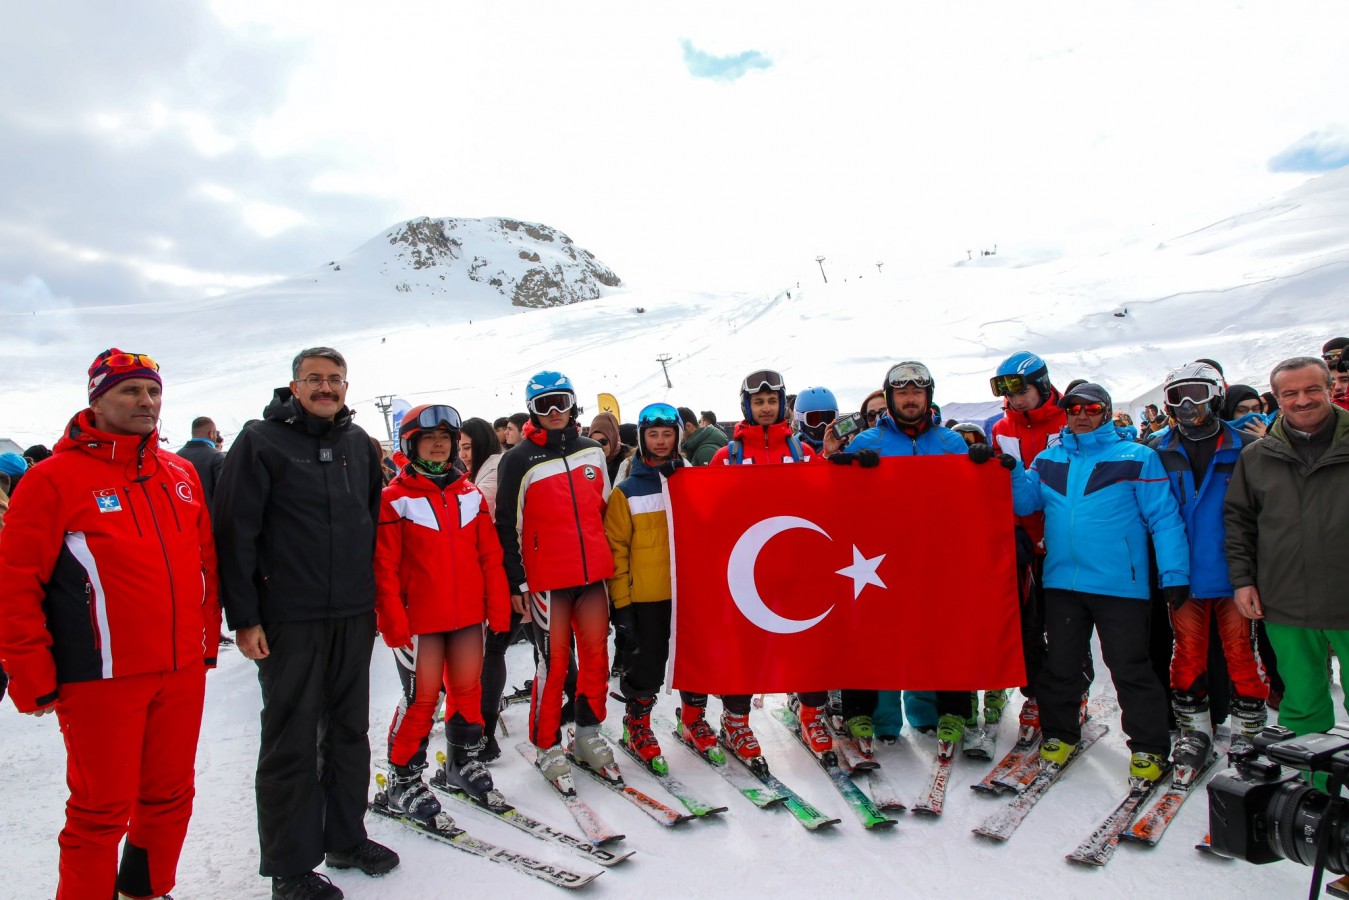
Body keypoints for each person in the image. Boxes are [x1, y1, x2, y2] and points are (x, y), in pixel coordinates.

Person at [0, 348, 220, 900]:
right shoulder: (51, 480)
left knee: (170, 796)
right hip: (99, 677)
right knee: (100, 812)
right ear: (96, 399)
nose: (146, 401)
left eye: (152, 391)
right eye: (130, 391)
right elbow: (14, 586)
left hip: (178, 670)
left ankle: (146, 891)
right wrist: (31, 674)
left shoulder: (182, 473)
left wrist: (203, 643)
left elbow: (205, 565)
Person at [214, 347, 397, 900]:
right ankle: (291, 867)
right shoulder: (260, 442)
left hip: (350, 613)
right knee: (290, 740)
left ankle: (346, 838)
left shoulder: (357, 445)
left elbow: (369, 521)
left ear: (346, 386)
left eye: (334, 379)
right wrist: (244, 618)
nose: (325, 388)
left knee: (349, 732)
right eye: (314, 379)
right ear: (293, 387)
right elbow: (234, 533)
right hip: (289, 617)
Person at [1009, 382, 1187, 784]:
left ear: (1105, 412)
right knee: (1062, 666)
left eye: (1091, 408)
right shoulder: (1049, 459)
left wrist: (1175, 573)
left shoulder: (1137, 456)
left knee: (1130, 667)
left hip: (1119, 585)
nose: (1081, 414)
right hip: (1063, 583)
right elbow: (1025, 504)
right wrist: (1014, 470)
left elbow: (1164, 518)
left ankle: (1149, 746)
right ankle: (1059, 734)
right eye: (1074, 407)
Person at [829, 361, 980, 752]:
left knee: (941, 630)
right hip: (878, 558)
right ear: (891, 397)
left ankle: (946, 710)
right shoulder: (867, 442)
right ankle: (871, 714)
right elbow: (834, 502)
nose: (910, 400)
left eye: (916, 393)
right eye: (902, 393)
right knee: (874, 631)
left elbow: (969, 503)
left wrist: (986, 470)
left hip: (936, 553)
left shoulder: (951, 443)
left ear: (928, 397)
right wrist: (836, 467)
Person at [376, 404, 511, 821]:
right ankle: (403, 779)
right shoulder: (394, 499)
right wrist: (392, 619)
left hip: (468, 616)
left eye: (446, 439)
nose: (439, 445)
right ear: (410, 444)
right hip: (421, 622)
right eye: (429, 439)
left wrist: (499, 607)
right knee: (422, 699)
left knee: (468, 691)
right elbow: (384, 568)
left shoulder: (469, 494)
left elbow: (490, 556)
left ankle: (460, 761)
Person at [1225, 356, 1349, 776]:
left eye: (1312, 389)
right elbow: (1239, 521)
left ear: (1330, 388)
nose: (1302, 400)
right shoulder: (1258, 456)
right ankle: (1314, 790)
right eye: (1290, 393)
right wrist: (1242, 581)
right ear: (1275, 399)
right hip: (1286, 600)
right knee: (1303, 703)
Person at [495, 371, 615, 785]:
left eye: (560, 402)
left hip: (593, 576)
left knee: (598, 658)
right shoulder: (517, 459)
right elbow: (505, 525)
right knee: (554, 663)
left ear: (573, 403)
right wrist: (516, 582)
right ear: (532, 409)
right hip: (547, 581)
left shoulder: (592, 452)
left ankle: (587, 734)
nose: (554, 412)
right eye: (544, 405)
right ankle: (546, 744)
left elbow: (603, 510)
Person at [1149, 363, 1267, 762]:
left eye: (1197, 393)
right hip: (1182, 572)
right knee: (1187, 650)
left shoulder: (1245, 446)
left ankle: (1249, 730)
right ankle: (1194, 730)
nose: (1186, 404)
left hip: (1233, 572)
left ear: (1216, 394)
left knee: (1239, 650)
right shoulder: (1159, 449)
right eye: (1177, 395)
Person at [711, 369, 830, 759]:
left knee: (809, 643)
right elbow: (709, 512)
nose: (766, 408)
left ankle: (811, 713)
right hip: (746, 571)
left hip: (795, 566)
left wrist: (839, 464)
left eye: (772, 401)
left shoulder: (801, 452)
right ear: (747, 406)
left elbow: (824, 503)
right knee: (744, 649)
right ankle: (736, 721)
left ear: (782, 405)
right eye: (758, 402)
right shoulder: (726, 456)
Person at [605, 403, 726, 765]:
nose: (660, 441)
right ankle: (637, 724)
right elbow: (616, 551)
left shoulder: (694, 481)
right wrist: (622, 606)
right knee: (647, 664)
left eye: (667, 433)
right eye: (653, 435)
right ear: (642, 440)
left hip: (691, 594)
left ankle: (693, 719)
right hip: (647, 597)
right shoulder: (627, 491)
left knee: (696, 659)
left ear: (678, 436)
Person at [987, 350, 1065, 733]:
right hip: (1022, 541)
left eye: (1021, 391)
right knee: (1028, 625)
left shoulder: (1070, 422)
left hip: (1066, 541)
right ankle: (1034, 695)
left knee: (1066, 624)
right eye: (1007, 392)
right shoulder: (1001, 429)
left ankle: (1073, 694)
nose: (1015, 400)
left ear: (1042, 385)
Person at [177, 415, 226, 508]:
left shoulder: (176, 456)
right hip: (209, 518)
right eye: (215, 434)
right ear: (211, 433)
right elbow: (224, 494)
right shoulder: (217, 457)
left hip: (183, 516)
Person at [459, 417, 505, 513]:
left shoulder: (496, 470)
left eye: (467, 448)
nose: (461, 455)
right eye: (458, 449)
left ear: (483, 444)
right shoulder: (484, 469)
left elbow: (472, 510)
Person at [793, 386, 839, 454]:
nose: (822, 426)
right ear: (800, 418)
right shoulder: (793, 450)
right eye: (814, 420)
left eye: (828, 418)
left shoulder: (842, 446)